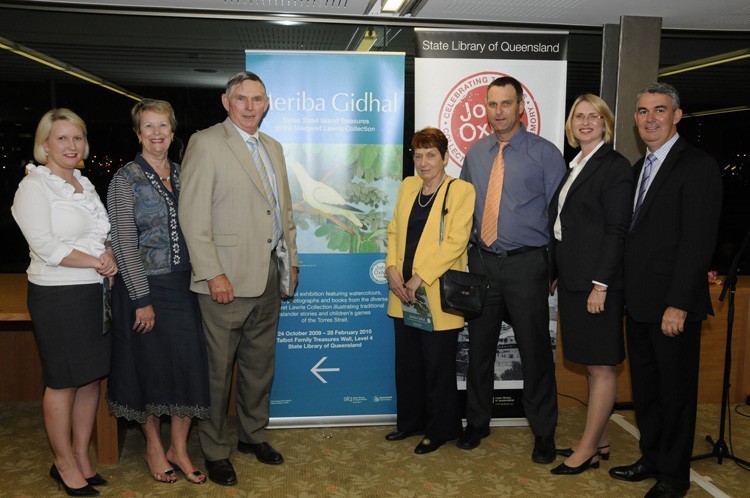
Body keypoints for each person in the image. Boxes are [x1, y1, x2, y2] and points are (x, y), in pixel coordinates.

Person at [178, 71, 299, 487]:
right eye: (242, 99)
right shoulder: (207, 143)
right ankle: (214, 450)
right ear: (226, 102)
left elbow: (284, 213)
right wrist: (213, 273)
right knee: (217, 372)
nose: (250, 106)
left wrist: (292, 263)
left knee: (259, 366)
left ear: (268, 103)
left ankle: (252, 435)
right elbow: (192, 218)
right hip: (224, 280)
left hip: (268, 274)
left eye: (258, 99)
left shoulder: (274, 148)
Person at [609, 83, 722, 497]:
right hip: (638, 305)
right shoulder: (640, 168)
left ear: (677, 116)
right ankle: (652, 458)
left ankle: (674, 477)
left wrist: (677, 303)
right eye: (642, 111)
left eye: (659, 110)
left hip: (671, 307)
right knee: (648, 393)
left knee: (676, 395)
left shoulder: (697, 166)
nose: (650, 118)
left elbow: (697, 242)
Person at [459, 76, 566, 462]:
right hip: (483, 264)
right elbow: (464, 210)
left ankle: (543, 431)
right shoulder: (475, 153)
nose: (499, 111)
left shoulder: (546, 154)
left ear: (520, 107)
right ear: (485, 109)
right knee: (479, 349)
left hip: (527, 265)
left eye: (506, 104)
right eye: (492, 104)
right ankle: (477, 422)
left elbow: (560, 216)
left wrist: (554, 268)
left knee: (535, 352)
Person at [12, 108, 117, 497]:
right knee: (62, 381)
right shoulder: (34, 187)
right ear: (44, 145)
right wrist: (95, 260)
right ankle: (63, 462)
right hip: (57, 295)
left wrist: (108, 254)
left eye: (77, 138)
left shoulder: (84, 184)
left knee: (90, 378)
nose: (71, 145)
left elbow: (98, 234)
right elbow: (45, 246)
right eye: (62, 138)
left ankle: (81, 454)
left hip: (94, 291)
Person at [106, 99, 210, 485]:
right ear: (137, 134)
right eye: (148, 126)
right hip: (143, 289)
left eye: (162, 125)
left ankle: (178, 447)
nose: (156, 133)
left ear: (172, 130)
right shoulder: (124, 178)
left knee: (187, 368)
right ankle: (153, 446)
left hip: (185, 288)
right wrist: (141, 300)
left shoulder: (186, 174)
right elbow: (124, 242)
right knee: (147, 372)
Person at [547, 94, 633, 475]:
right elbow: (568, 227)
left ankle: (585, 450)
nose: (584, 122)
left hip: (597, 284)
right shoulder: (576, 165)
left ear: (605, 123)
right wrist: (556, 272)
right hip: (573, 280)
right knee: (590, 362)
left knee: (601, 367)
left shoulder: (613, 166)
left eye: (592, 116)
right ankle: (600, 442)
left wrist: (601, 284)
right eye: (578, 116)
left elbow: (617, 230)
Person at [384, 127, 476, 454]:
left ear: (444, 156)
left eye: (430, 155)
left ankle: (440, 430)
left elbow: (455, 243)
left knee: (437, 367)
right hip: (402, 291)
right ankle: (410, 422)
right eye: (418, 155)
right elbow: (394, 230)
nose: (423, 163)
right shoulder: (408, 186)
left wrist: (419, 277)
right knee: (407, 363)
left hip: (434, 293)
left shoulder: (461, 191)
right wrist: (391, 269)